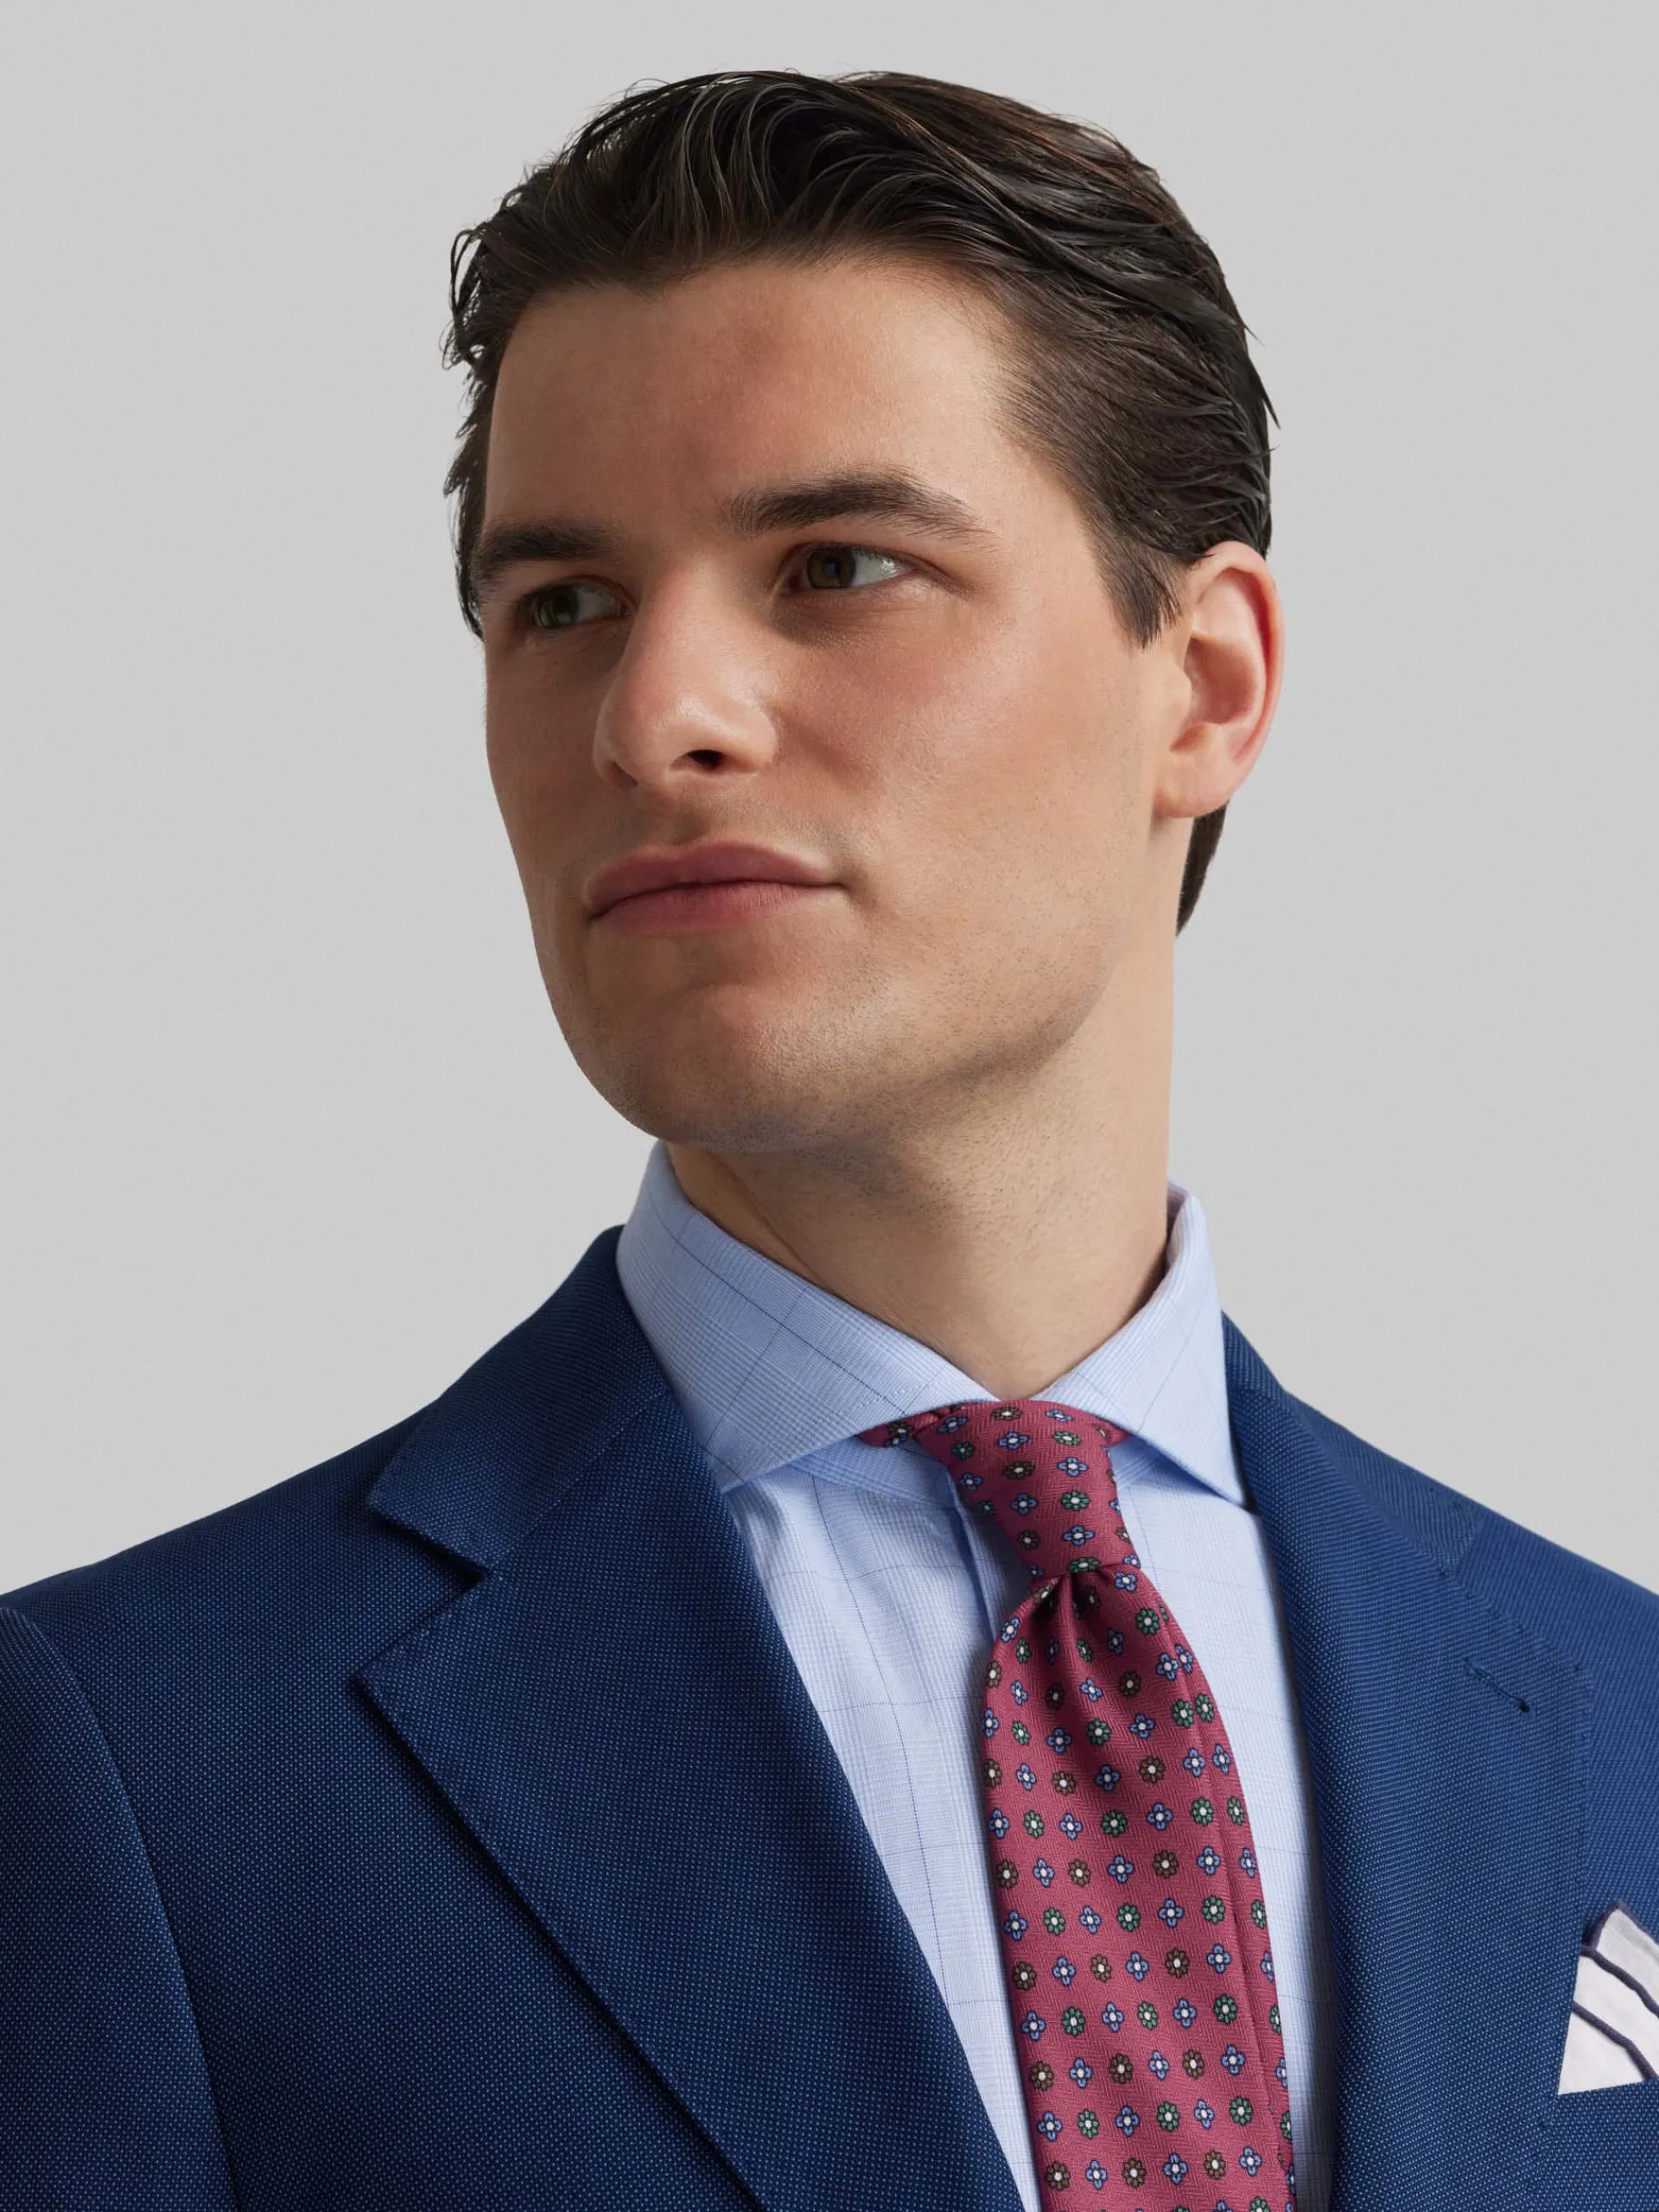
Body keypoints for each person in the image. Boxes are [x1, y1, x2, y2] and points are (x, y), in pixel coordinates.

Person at [2, 68, 1654, 2212]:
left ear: (1207, 684)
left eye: (840, 564)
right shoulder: (137, 1763)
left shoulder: (1617, 1710)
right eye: (562, 601)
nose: (656, 713)